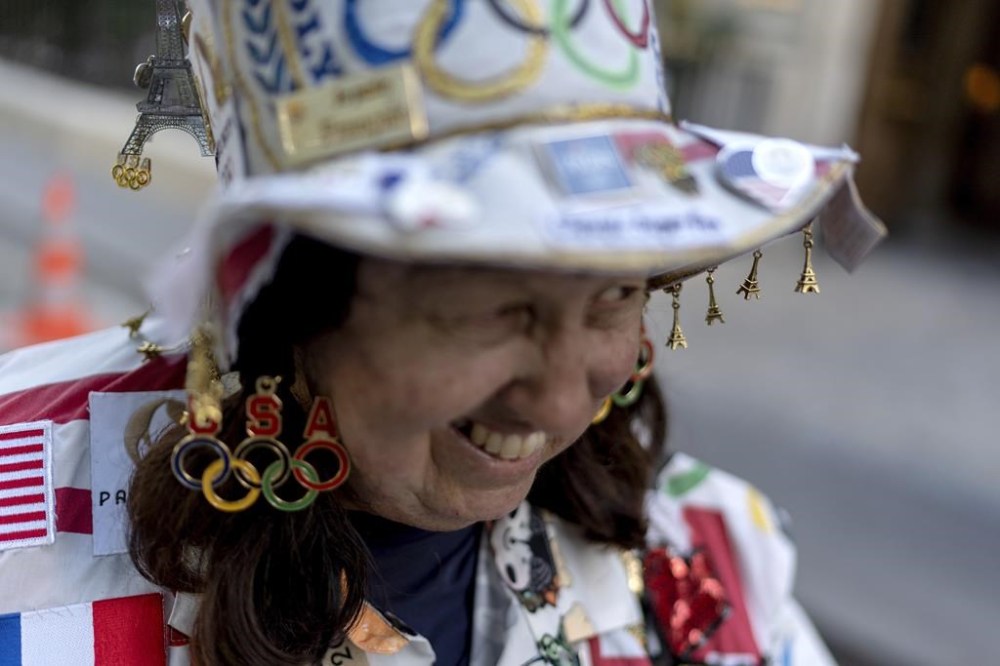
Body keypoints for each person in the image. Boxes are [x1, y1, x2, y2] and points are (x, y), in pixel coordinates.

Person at [0, 1, 884, 664]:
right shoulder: (21, 535)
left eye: (614, 294)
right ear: (284, 298)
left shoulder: (716, 556)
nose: (558, 391)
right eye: (490, 309)